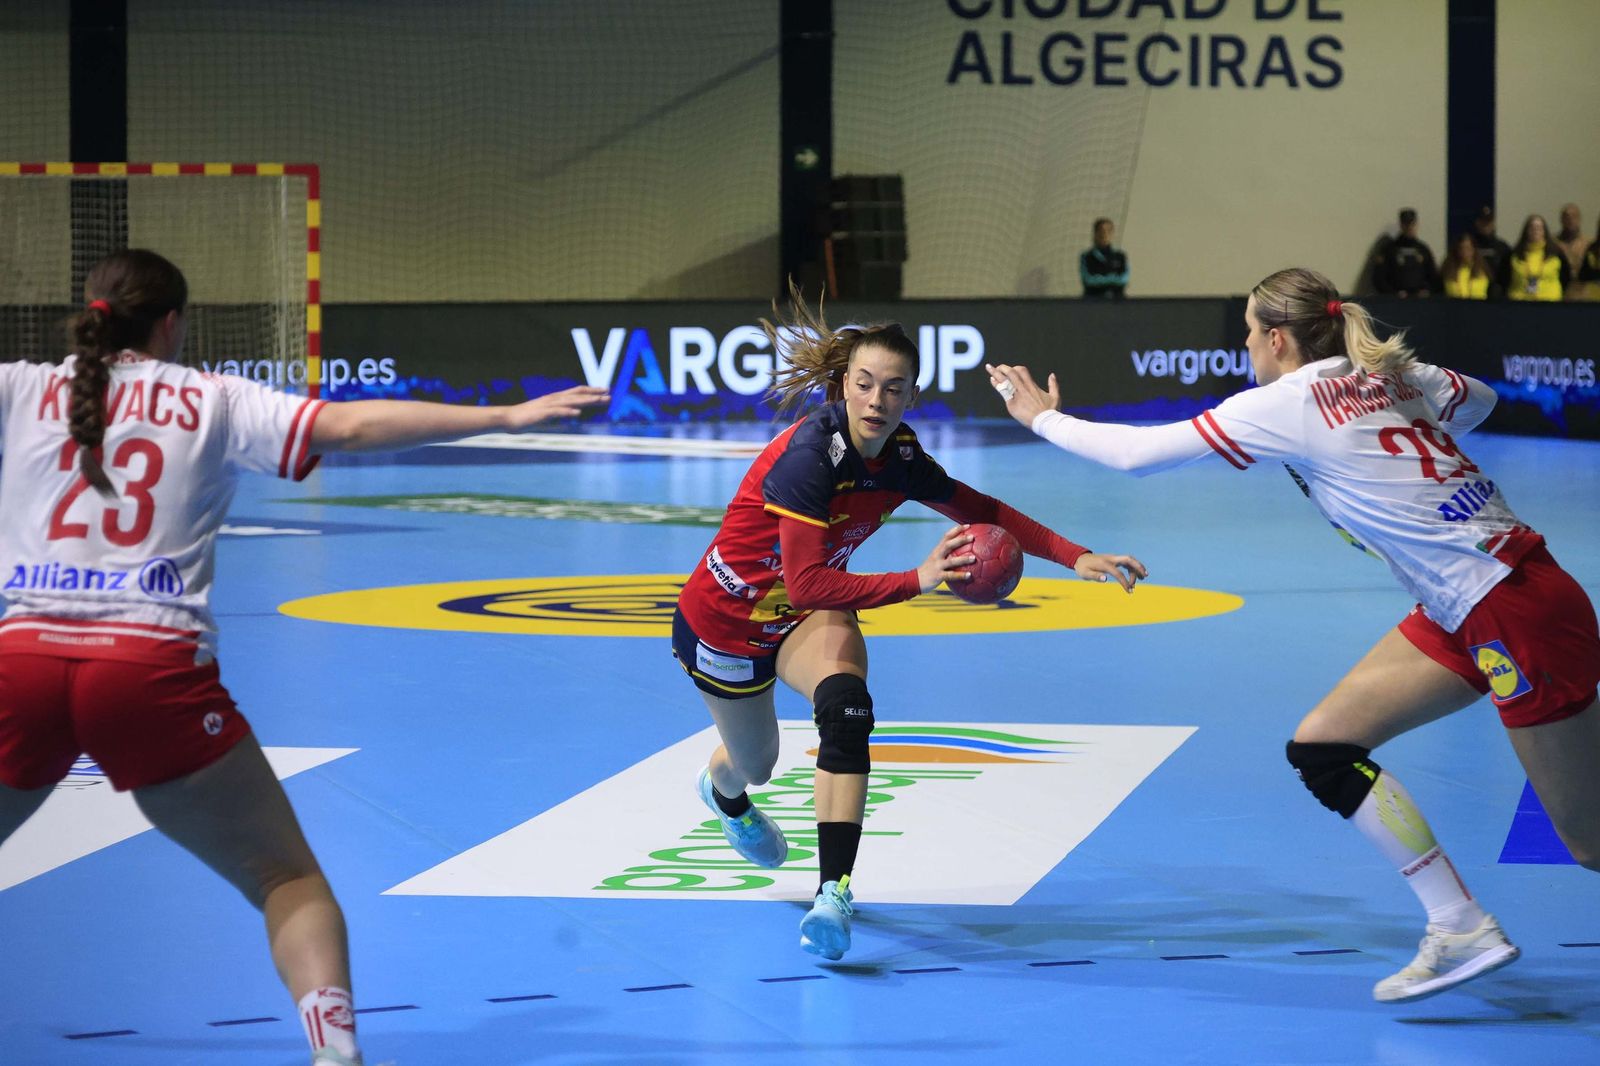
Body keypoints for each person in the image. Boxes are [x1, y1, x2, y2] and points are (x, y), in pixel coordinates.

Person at [0, 249, 607, 1066]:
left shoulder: (26, 386)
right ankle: (333, 1052)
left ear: (92, 310)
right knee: (287, 879)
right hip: (148, 671)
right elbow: (354, 427)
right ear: (173, 323)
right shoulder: (213, 399)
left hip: (24, 661)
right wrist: (504, 416)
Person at [986, 266, 1600, 1004]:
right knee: (1323, 747)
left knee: (1589, 842)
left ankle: (1462, 923)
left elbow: (1136, 457)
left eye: (1249, 333)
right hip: (1468, 604)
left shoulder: (1290, 401)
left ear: (1276, 339)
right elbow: (1486, 399)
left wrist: (1039, 419)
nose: (1247, 345)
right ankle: (1458, 923)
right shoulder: (1392, 373)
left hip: (1510, 614)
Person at [674, 288, 1145, 961]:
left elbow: (979, 506)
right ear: (843, 385)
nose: (876, 401)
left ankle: (833, 891)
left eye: (893, 389)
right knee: (756, 764)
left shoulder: (898, 456)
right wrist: (920, 580)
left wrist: (1074, 554)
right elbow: (807, 580)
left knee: (847, 710)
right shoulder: (811, 458)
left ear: (909, 397)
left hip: (804, 615)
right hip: (726, 625)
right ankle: (723, 794)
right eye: (864, 384)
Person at [1505, 214, 1571, 302]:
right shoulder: (1514, 254)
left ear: (1544, 231)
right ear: (1526, 231)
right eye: (1532, 228)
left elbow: (1566, 277)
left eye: (1539, 228)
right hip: (1520, 303)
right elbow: (1504, 278)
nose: (1535, 231)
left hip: (1550, 303)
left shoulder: (1556, 253)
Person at [1375, 209, 1439, 298]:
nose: (1409, 227)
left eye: (1412, 224)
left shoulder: (1423, 249)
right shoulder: (1389, 250)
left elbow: (1433, 276)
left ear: (1416, 225)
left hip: (1421, 302)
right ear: (1401, 225)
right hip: (1396, 301)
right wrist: (1393, 293)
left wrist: (1427, 290)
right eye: (1406, 224)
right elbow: (1379, 278)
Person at [1470, 205, 1513, 300]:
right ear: (1477, 223)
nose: (1485, 225)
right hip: (1474, 293)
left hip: (1498, 295)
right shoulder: (1469, 246)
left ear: (1493, 223)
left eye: (1488, 222)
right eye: (1483, 222)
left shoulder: (1502, 247)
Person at [1079, 218, 1129, 300]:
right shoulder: (1087, 256)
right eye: (1101, 231)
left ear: (1112, 234)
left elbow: (1123, 279)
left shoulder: (1120, 256)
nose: (1104, 234)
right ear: (1095, 233)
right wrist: (1112, 278)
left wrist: (1101, 278)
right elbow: (1088, 279)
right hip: (1092, 303)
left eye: (1108, 231)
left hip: (1117, 303)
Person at [1439, 233, 1491, 300]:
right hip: (1454, 306)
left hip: (1478, 306)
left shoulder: (1482, 269)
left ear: (1474, 250)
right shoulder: (1447, 269)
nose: (1465, 252)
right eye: (1461, 248)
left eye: (1468, 248)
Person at [1553, 203, 1591, 288]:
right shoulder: (1553, 243)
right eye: (1567, 217)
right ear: (1561, 219)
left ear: (1579, 219)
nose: (1570, 220)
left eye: (1574, 216)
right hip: (1559, 289)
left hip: (1583, 291)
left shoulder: (1589, 244)